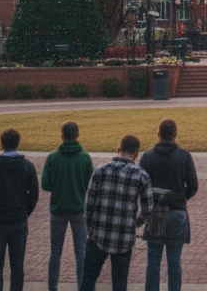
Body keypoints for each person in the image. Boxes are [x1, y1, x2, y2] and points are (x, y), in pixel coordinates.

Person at [81, 135, 154, 291]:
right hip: (123, 237)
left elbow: (88, 205)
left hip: (98, 234)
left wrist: (91, 228)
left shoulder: (100, 170)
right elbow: (148, 208)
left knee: (88, 279)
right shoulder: (141, 175)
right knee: (119, 283)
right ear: (136, 153)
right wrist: (134, 224)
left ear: (119, 149)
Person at [140, 118, 199, 291]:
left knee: (153, 261)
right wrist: (181, 198)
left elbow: (141, 185)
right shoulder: (184, 156)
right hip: (176, 211)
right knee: (174, 261)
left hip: (154, 212)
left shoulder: (148, 156)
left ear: (159, 134)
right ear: (174, 135)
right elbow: (193, 185)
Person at [0, 127, 39, 291]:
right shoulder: (27, 167)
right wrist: (24, 212)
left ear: (2, 144)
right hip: (18, 221)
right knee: (17, 265)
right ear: (17, 143)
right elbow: (33, 195)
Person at [41, 121, 94, 291]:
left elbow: (45, 184)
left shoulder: (53, 158)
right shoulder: (85, 157)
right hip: (79, 209)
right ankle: (82, 287)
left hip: (58, 210)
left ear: (62, 135)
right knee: (81, 253)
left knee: (55, 252)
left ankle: (52, 287)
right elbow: (90, 184)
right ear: (77, 135)